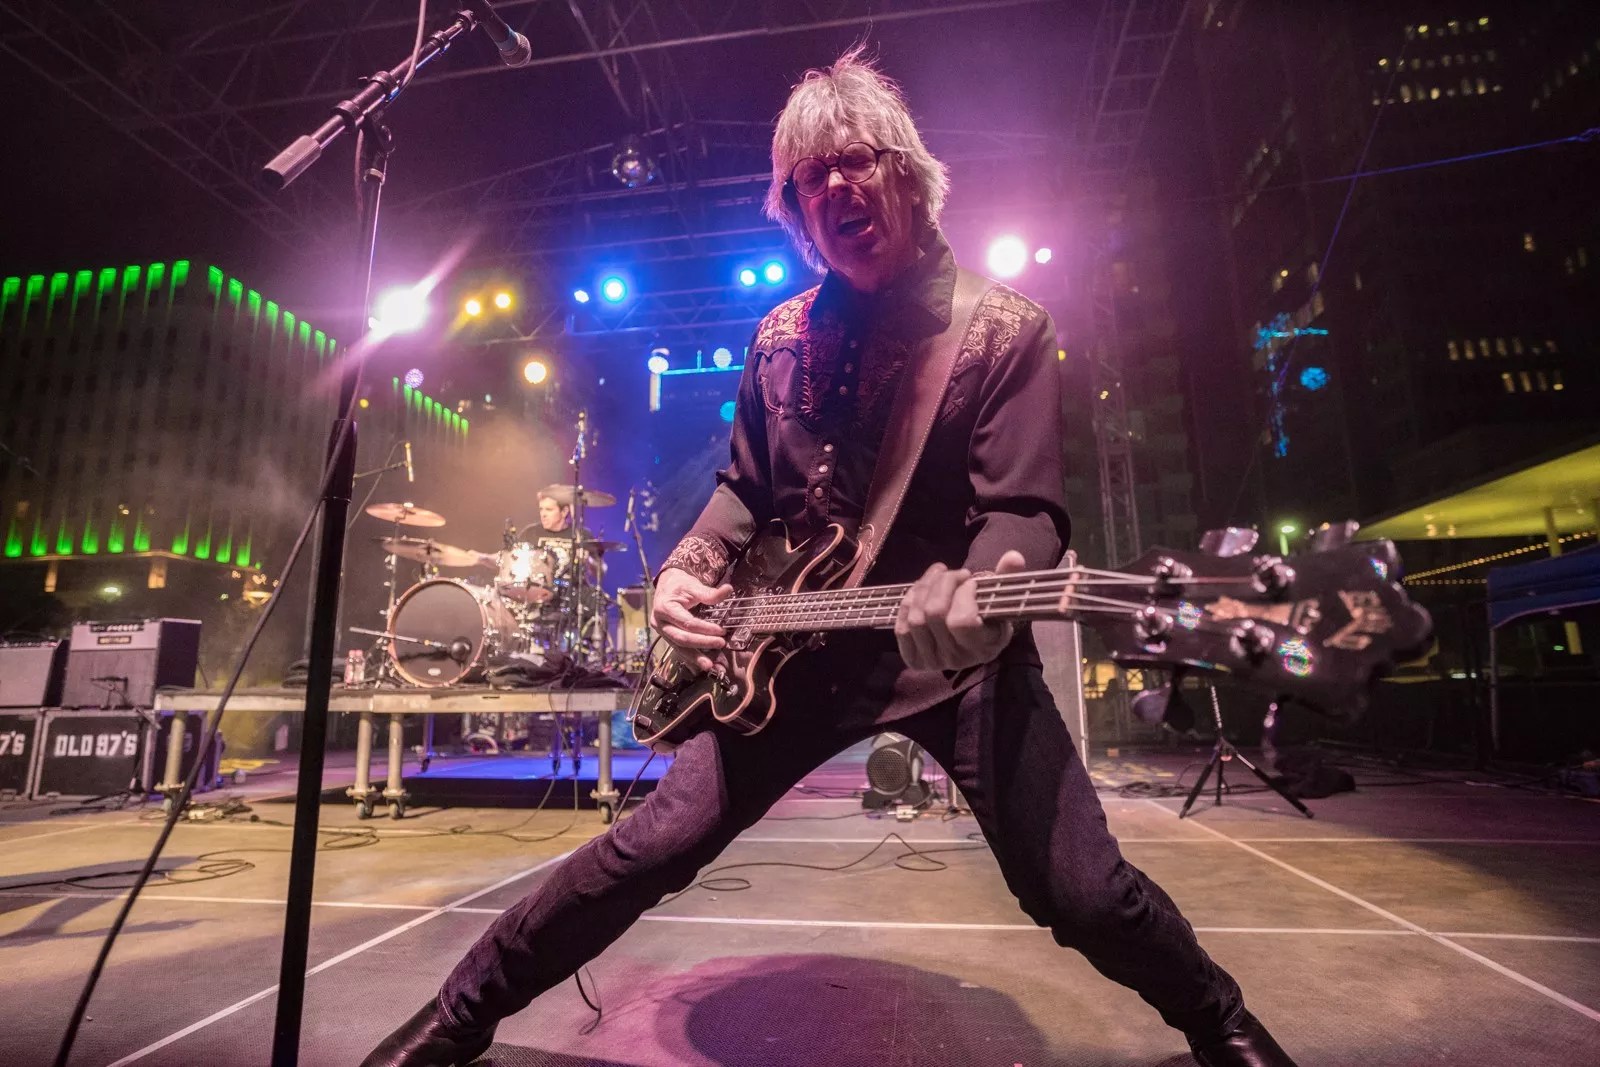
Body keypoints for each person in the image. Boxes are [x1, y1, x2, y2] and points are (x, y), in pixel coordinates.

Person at [361, 46, 1295, 1067]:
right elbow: (743, 490)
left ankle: (1222, 1021)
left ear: (910, 176)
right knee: (649, 844)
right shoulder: (778, 338)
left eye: (857, 160)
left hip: (957, 658)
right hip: (793, 658)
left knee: (1081, 892)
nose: (836, 186)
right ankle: (457, 1016)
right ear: (797, 211)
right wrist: (686, 567)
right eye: (812, 177)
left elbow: (1023, 510)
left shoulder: (1003, 330)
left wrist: (981, 593)